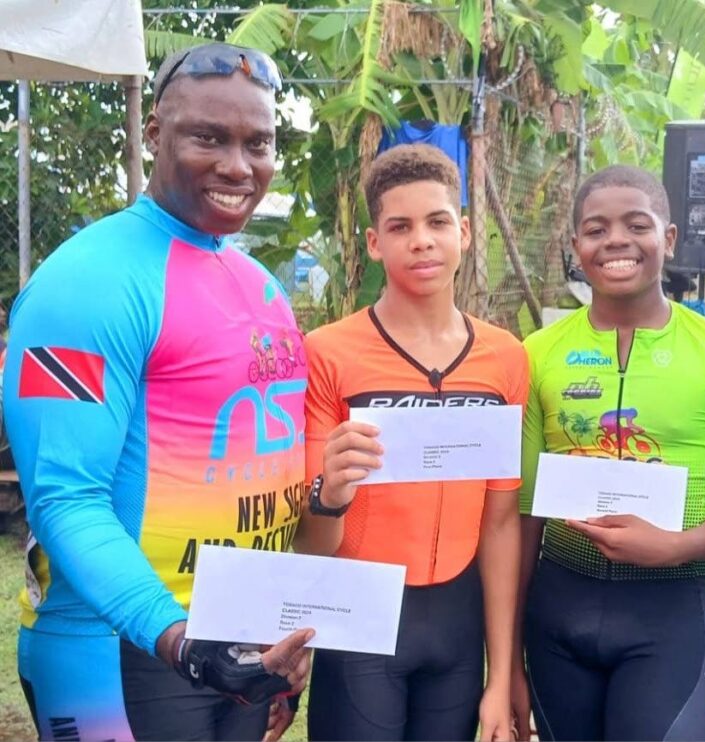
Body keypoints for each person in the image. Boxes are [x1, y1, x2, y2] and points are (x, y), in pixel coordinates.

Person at [2, 43, 315, 742]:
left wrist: (276, 645)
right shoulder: (83, 284)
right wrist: (179, 640)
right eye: (209, 137)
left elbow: (268, 474)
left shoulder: (263, 287)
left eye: (257, 143)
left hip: (239, 653)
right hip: (122, 652)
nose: (238, 166)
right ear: (152, 135)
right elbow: (64, 496)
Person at [512, 165, 705, 741]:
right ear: (576, 245)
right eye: (595, 228)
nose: (615, 241)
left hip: (672, 611)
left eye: (637, 224)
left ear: (670, 238)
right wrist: (508, 658)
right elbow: (524, 511)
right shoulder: (536, 354)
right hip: (558, 611)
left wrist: (678, 546)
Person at [295, 143, 526, 741]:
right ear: (375, 243)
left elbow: (500, 525)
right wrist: (331, 493)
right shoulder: (328, 353)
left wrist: (500, 676)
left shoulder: (505, 358)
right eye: (400, 226)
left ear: (465, 231)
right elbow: (314, 538)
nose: (421, 240)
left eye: (437, 222)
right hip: (359, 622)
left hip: (456, 624)